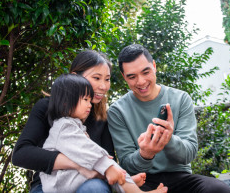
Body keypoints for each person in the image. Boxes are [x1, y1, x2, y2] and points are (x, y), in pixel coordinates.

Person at [12, 50, 154, 193]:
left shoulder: (102, 117)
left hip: (89, 184)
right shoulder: (47, 107)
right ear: (75, 77)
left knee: (96, 187)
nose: (104, 86)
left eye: (107, 79)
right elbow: (21, 154)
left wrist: (124, 179)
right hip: (49, 185)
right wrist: (77, 165)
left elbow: (108, 161)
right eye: (96, 78)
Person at [107, 44, 230, 193]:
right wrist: (145, 154)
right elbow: (127, 164)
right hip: (142, 181)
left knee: (218, 189)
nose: (140, 82)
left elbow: (189, 154)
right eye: (132, 77)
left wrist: (169, 139)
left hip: (181, 177)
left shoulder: (181, 99)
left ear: (154, 66)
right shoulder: (117, 111)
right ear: (124, 77)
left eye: (145, 72)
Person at [39, 73, 167, 193]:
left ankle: (125, 183)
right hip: (60, 182)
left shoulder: (76, 126)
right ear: (66, 102)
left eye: (90, 100)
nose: (89, 105)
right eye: (85, 100)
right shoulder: (64, 126)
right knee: (106, 165)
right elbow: (86, 150)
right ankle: (131, 188)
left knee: (108, 166)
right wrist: (105, 161)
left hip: (72, 177)